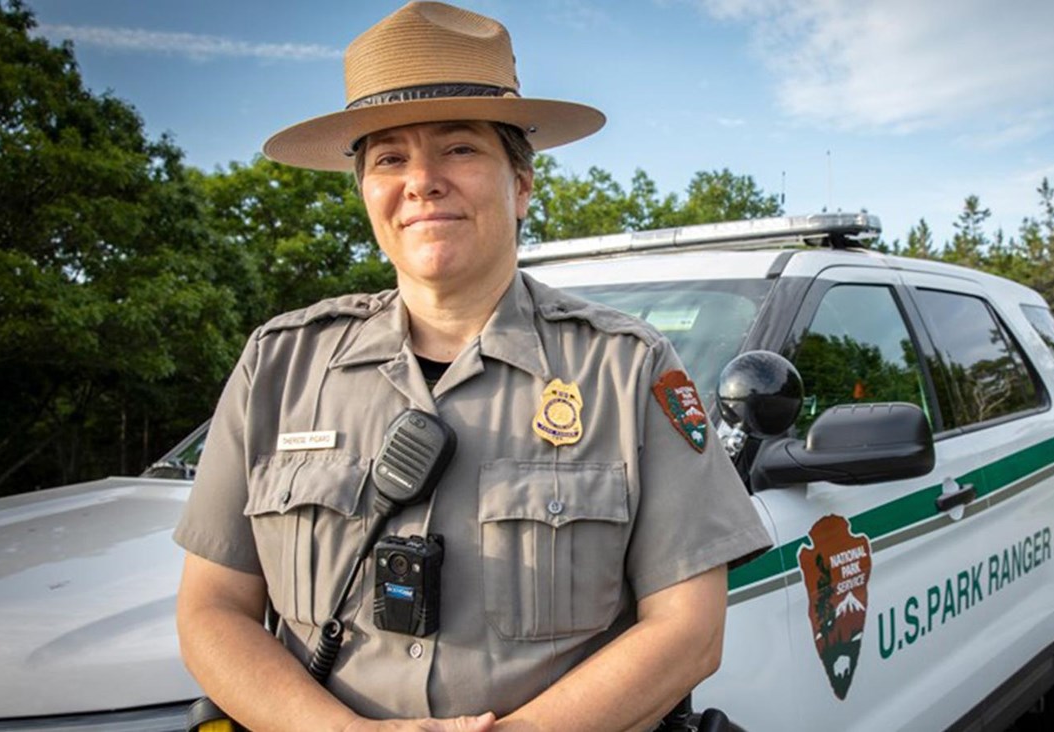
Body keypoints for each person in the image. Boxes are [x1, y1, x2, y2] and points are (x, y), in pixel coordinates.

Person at [173, 3, 772, 730]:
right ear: (365, 193)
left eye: (459, 149)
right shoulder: (279, 366)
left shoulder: (628, 370)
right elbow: (212, 610)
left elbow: (690, 630)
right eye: (390, 157)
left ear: (521, 185)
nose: (422, 181)